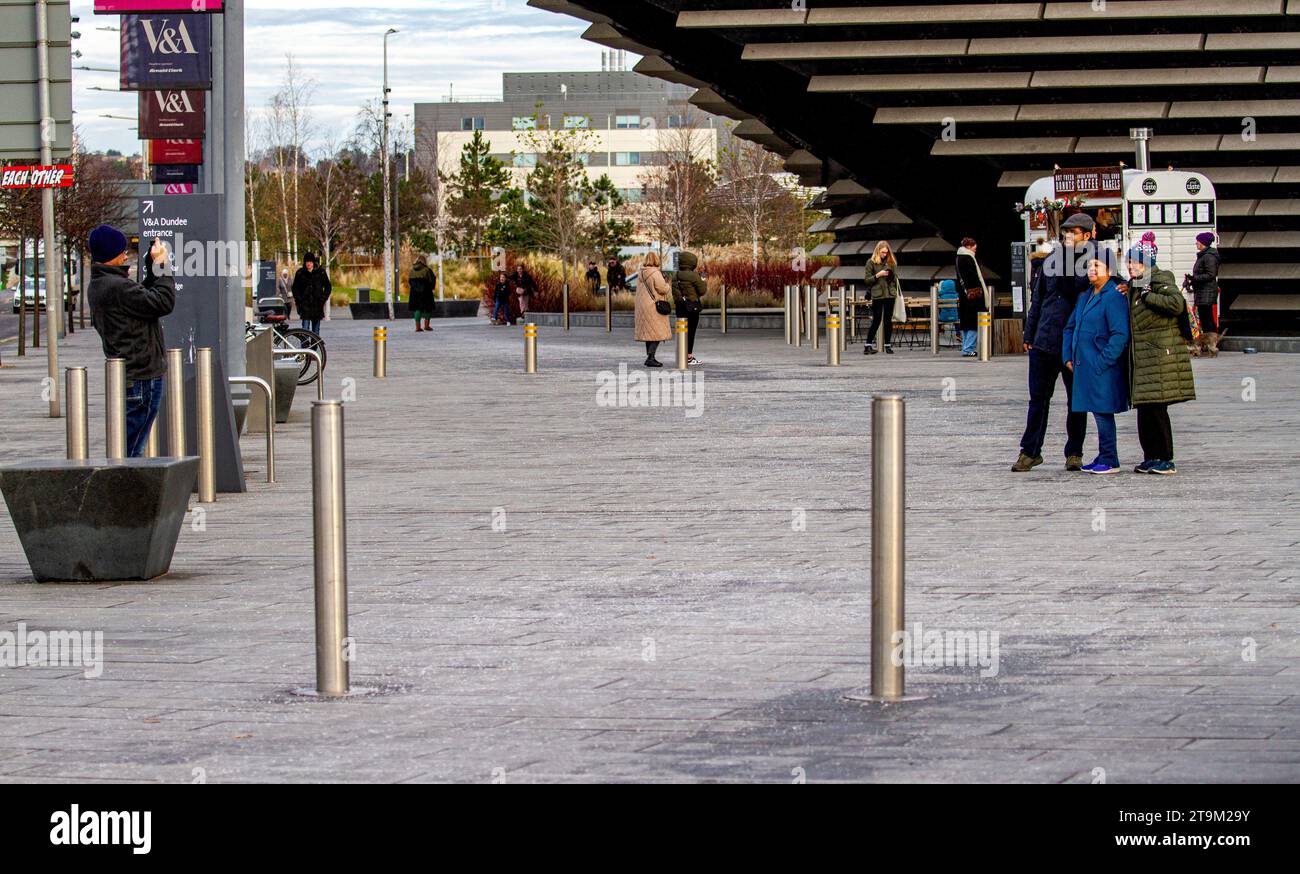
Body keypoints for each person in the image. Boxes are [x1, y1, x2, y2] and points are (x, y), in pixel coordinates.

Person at [1013, 213, 1094, 472]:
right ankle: (1030, 451)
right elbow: (1038, 299)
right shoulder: (1050, 261)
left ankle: (1074, 452)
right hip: (1045, 340)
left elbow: (1077, 288)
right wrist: (1029, 334)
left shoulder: (1094, 262)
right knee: (1038, 399)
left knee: (1077, 401)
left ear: (1088, 236)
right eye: (1066, 232)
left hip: (1075, 342)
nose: (1068, 236)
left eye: (1075, 232)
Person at [87, 225, 175, 458]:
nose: (126, 255)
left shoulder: (103, 284)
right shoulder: (115, 287)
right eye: (122, 251)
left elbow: (141, 298)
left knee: (128, 448)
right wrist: (162, 266)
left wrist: (151, 267)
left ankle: (122, 490)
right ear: (111, 254)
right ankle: (122, 492)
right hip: (141, 378)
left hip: (133, 377)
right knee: (129, 453)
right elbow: (163, 302)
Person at [1124, 232, 1195, 475]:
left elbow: (1177, 304)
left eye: (1135, 262)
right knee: (1145, 410)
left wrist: (1148, 295)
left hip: (1159, 357)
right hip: (1144, 358)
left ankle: (1165, 458)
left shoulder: (1159, 279)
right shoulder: (1137, 284)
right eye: (1129, 262)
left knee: (1156, 410)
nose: (1130, 266)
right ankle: (1151, 456)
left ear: (1147, 263)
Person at [1062, 249, 1131, 475]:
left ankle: (1110, 458)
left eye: (1097, 266)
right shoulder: (1086, 296)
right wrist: (1068, 356)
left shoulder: (1113, 296)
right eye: (1090, 265)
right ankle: (1103, 455)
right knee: (1095, 410)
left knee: (1103, 412)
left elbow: (1120, 334)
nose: (1092, 269)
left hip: (1102, 367)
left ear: (1109, 271)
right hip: (1083, 365)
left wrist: (1103, 362)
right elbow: (1070, 327)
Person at [862, 240, 901, 354]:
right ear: (878, 251)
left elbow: (896, 279)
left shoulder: (891, 262)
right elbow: (867, 280)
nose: (885, 254)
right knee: (877, 320)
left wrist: (892, 276)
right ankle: (867, 345)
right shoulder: (871, 262)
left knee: (888, 320)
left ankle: (888, 345)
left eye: (886, 252)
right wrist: (878, 275)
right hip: (877, 295)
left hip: (890, 294)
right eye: (883, 252)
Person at [635, 250, 672, 367]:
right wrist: (667, 284)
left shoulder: (641, 273)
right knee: (657, 332)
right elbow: (662, 289)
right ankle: (651, 358)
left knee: (649, 332)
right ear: (656, 260)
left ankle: (650, 357)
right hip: (653, 306)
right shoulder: (655, 273)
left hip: (642, 307)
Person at [671, 250, 707, 366]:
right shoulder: (694, 276)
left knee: (682, 331)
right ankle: (689, 356)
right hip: (691, 307)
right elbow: (702, 291)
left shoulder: (675, 275)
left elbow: (674, 292)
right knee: (691, 331)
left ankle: (681, 356)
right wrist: (703, 280)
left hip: (679, 307)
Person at [1189, 232, 1221, 358]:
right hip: (1203, 291)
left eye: (1198, 241)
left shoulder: (1208, 256)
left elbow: (1210, 274)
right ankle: (1209, 345)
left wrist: (1195, 278)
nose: (1196, 243)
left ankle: (1211, 345)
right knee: (1205, 319)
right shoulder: (1205, 255)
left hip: (1206, 291)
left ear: (1203, 243)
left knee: (1207, 319)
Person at [955, 237, 988, 357]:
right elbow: (973, 278)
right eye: (974, 247)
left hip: (964, 295)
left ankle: (965, 347)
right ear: (968, 246)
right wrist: (980, 293)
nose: (975, 249)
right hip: (973, 295)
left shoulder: (958, 258)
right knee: (974, 321)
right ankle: (969, 348)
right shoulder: (968, 258)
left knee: (966, 322)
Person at [292, 252, 331, 335]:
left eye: (310, 262)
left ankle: (314, 348)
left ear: (313, 262)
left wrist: (323, 298)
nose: (308, 264)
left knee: (316, 332)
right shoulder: (300, 273)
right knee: (305, 331)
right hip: (305, 306)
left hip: (317, 305)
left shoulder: (321, 272)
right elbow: (295, 288)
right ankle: (305, 347)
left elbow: (328, 286)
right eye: (307, 262)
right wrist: (299, 300)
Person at [408, 256, 437, 332]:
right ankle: (426, 326)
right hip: (425, 291)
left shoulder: (412, 270)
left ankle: (417, 327)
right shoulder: (427, 270)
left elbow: (409, 281)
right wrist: (432, 288)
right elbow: (432, 279)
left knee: (417, 308)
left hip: (414, 292)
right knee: (427, 308)